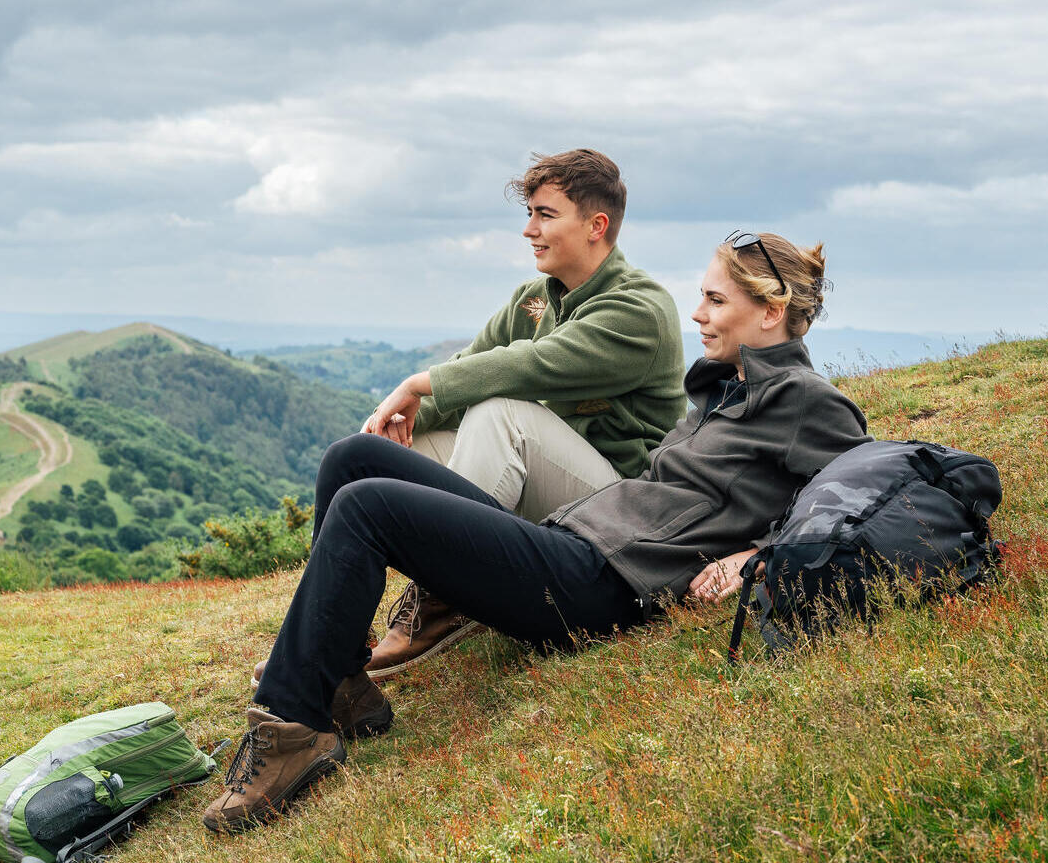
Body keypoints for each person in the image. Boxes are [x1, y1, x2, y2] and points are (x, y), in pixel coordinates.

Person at [204, 231, 871, 833]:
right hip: (578, 540)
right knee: (353, 458)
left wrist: (757, 556)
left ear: (771, 311)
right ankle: (342, 685)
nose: (697, 313)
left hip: (603, 584)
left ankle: (293, 730)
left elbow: (862, 496)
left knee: (366, 506)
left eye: (715, 300)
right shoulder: (728, 388)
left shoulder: (805, 400)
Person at [354, 149, 685, 679]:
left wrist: (416, 384)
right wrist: (392, 421)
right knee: (385, 455)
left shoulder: (639, 309)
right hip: (544, 486)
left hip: (616, 505)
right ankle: (342, 629)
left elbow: (529, 367)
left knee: (501, 411)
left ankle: (446, 595)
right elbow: (470, 367)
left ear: (596, 226)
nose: (529, 230)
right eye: (530, 213)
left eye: (545, 215)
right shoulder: (533, 299)